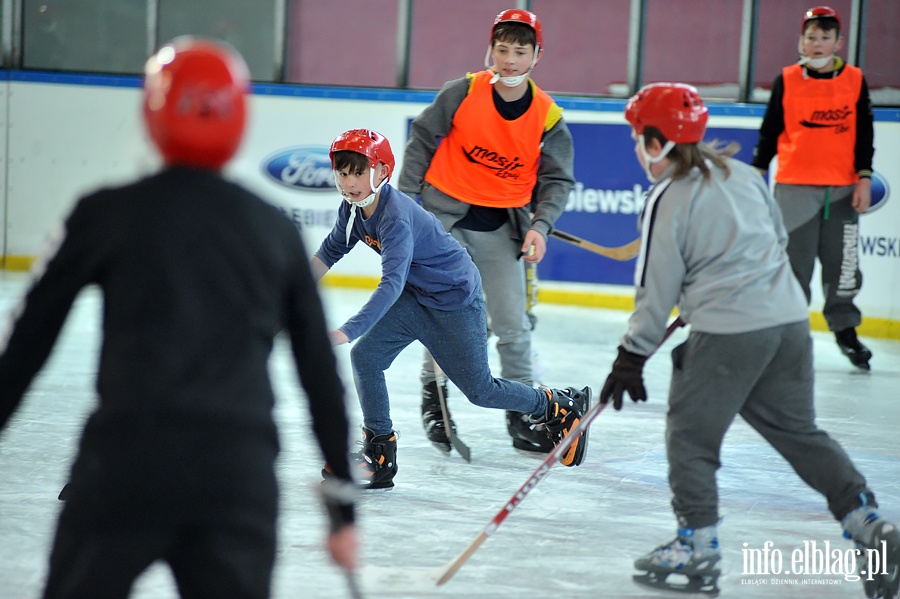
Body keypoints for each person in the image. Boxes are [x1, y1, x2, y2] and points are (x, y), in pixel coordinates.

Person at [0, 38, 357, 599]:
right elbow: (319, 371)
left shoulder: (104, 213)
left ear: (153, 114)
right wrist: (343, 509)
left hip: (125, 466)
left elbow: (27, 342)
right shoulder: (275, 230)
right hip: (236, 476)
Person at [598, 82, 898, 598]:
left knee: (691, 439)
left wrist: (631, 356)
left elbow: (655, 289)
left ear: (655, 143)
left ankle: (696, 543)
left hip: (729, 335)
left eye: (637, 137)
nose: (636, 147)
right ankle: (867, 522)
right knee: (798, 432)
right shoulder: (742, 174)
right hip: (787, 326)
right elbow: (776, 243)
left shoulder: (667, 197)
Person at [312, 128, 590, 490]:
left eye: (358, 172)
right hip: (416, 299)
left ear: (382, 172)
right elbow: (332, 250)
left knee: (481, 391)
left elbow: (391, 283)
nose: (349, 182)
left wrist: (346, 330)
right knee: (366, 358)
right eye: (342, 172)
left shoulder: (395, 217)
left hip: (455, 304)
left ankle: (555, 405)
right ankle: (380, 452)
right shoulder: (352, 210)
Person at [398, 8, 575, 454]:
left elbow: (556, 180)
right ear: (490, 49)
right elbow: (421, 138)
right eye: (502, 49)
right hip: (445, 223)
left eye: (520, 51)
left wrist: (541, 226)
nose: (510, 59)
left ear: (537, 56)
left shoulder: (547, 115)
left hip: (502, 226)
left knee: (512, 325)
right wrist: (405, 204)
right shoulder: (462, 92)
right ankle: (434, 400)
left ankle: (523, 413)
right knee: (448, 315)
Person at [752, 5, 875, 371]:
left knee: (844, 267)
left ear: (838, 42)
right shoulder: (787, 79)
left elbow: (864, 133)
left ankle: (846, 331)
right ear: (801, 42)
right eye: (810, 37)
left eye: (824, 37)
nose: (817, 44)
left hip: (842, 191)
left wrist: (864, 177)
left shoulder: (854, 79)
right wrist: (757, 172)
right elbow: (770, 130)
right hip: (793, 189)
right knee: (792, 269)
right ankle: (785, 334)